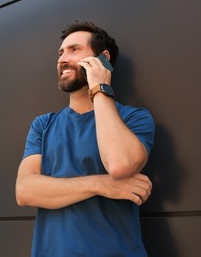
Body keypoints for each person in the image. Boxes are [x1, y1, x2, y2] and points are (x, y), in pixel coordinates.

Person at [15, 20, 155, 256]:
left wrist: (100, 87)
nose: (62, 59)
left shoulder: (134, 118)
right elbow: (25, 191)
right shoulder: (43, 125)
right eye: (61, 52)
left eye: (74, 50)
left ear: (103, 58)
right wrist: (101, 184)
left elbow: (120, 165)